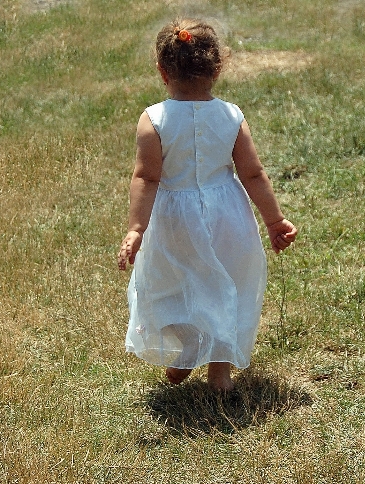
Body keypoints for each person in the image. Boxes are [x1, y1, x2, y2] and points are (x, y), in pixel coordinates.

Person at [117, 18, 297, 392]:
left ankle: (186, 351)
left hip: (173, 219)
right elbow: (253, 174)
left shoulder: (153, 119)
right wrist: (274, 220)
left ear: (162, 72)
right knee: (227, 285)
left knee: (174, 283)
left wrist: (136, 228)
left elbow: (147, 178)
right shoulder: (231, 115)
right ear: (218, 68)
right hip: (227, 215)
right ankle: (219, 373)